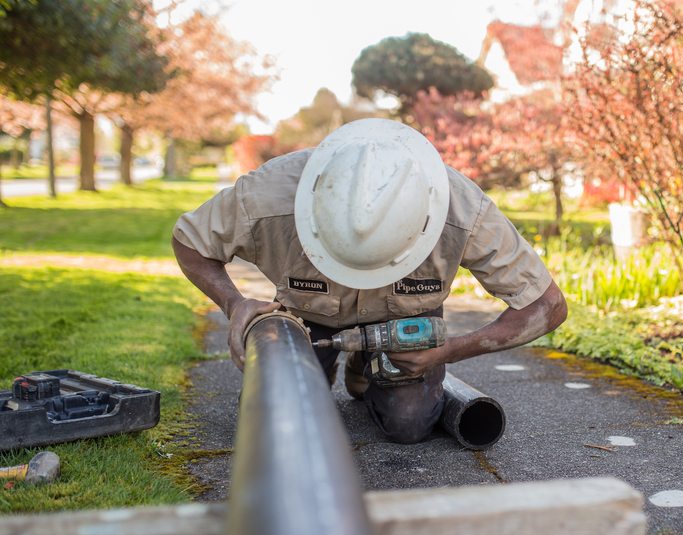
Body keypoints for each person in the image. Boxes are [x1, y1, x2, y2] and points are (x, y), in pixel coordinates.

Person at [172, 118, 567, 444]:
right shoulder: (268, 196)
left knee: (410, 425)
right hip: (307, 318)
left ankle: (366, 368)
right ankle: (323, 367)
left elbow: (546, 306)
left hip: (402, 323)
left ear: (425, 227)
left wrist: (449, 350)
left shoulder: (461, 209)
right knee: (275, 422)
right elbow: (190, 240)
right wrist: (234, 303)